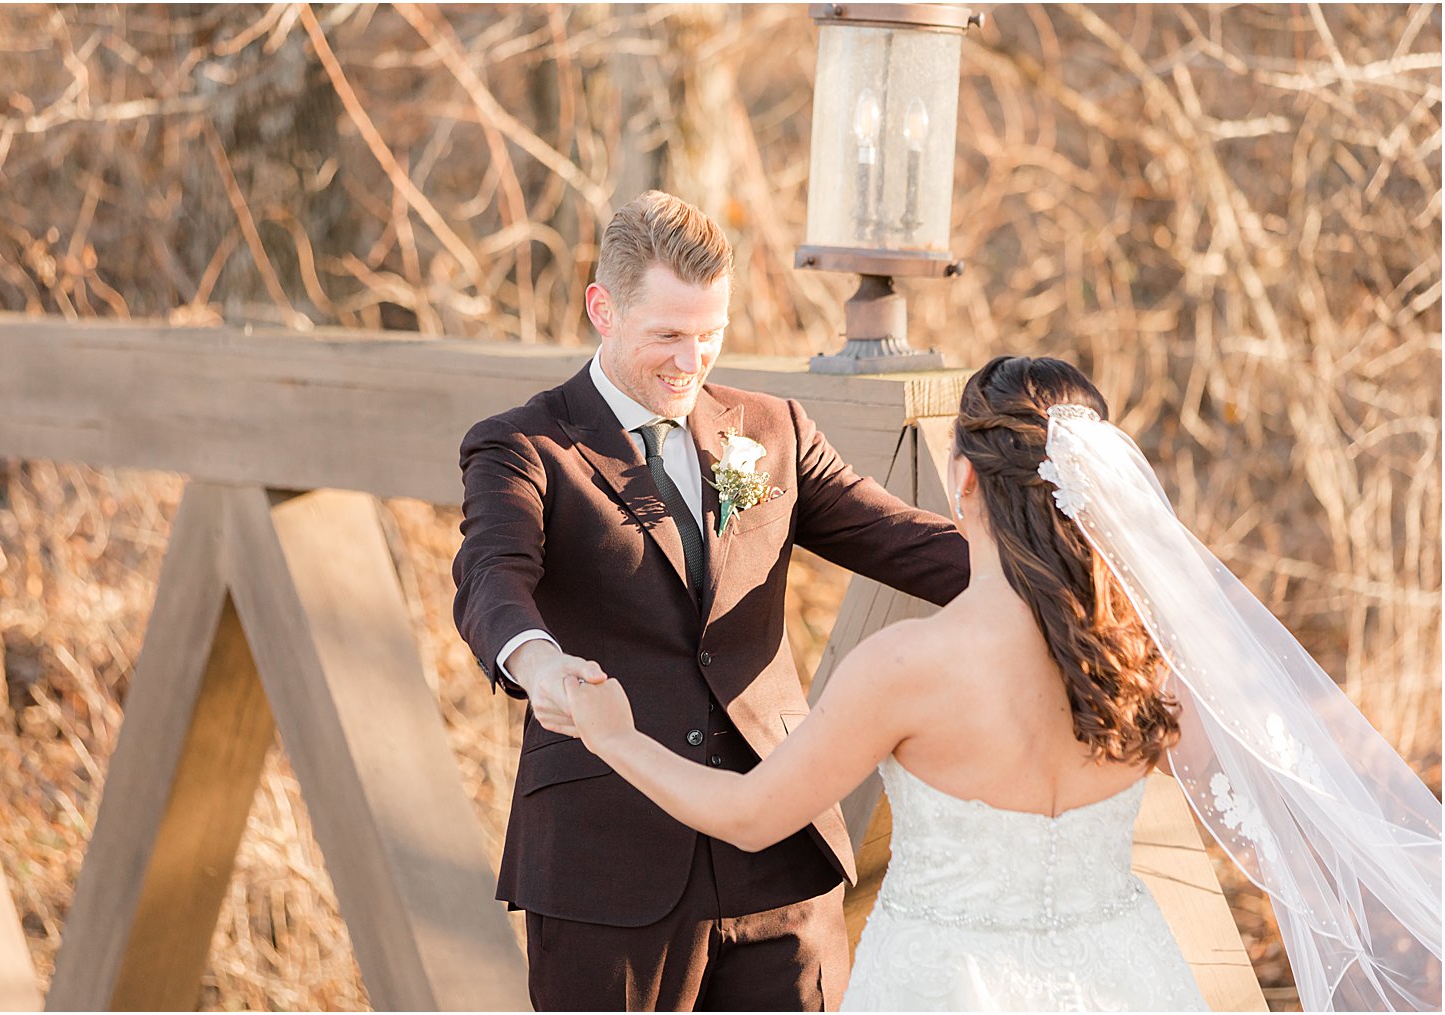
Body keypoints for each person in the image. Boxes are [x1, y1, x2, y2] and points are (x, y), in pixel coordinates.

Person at [569, 355, 1443, 1012]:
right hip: (1129, 978)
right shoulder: (1144, 664)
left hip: (946, 984)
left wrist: (615, 736)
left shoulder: (905, 669)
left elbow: (753, 813)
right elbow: (1273, 828)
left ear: (962, 483)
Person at [451, 190, 970, 1011]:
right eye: (667, 335)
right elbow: (491, 578)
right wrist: (539, 664)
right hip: (608, 868)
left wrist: (1058, 576)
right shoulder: (524, 446)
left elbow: (909, 542)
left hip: (782, 858)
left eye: (710, 334)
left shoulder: (771, 429)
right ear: (602, 309)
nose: (692, 361)